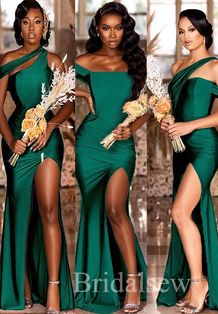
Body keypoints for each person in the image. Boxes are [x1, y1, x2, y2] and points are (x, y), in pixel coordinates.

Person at [157, 9, 218, 313]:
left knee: (179, 211)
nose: (186, 37)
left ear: (203, 31)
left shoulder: (216, 67)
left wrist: (191, 125)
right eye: (181, 31)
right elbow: (177, 110)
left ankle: (198, 282)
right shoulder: (177, 67)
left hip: (205, 147)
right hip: (181, 149)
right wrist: (169, 121)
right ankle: (196, 280)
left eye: (191, 30)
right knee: (189, 213)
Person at [0, 1, 74, 313]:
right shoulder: (7, 61)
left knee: (48, 209)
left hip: (48, 140)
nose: (32, 28)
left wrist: (52, 124)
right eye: (26, 22)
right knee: (21, 215)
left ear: (45, 27)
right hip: (17, 139)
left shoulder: (55, 60)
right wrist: (11, 141)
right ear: (18, 27)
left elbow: (69, 103)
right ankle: (24, 285)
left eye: (38, 22)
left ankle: (54, 288)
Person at [75, 2, 147, 313]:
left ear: (126, 29)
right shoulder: (83, 62)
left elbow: (147, 105)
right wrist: (80, 95)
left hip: (120, 147)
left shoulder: (135, 61)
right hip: (88, 145)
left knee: (116, 208)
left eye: (118, 27)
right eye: (106, 28)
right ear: (97, 30)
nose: (112, 34)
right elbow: (53, 95)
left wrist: (132, 129)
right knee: (93, 211)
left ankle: (132, 281)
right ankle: (96, 284)